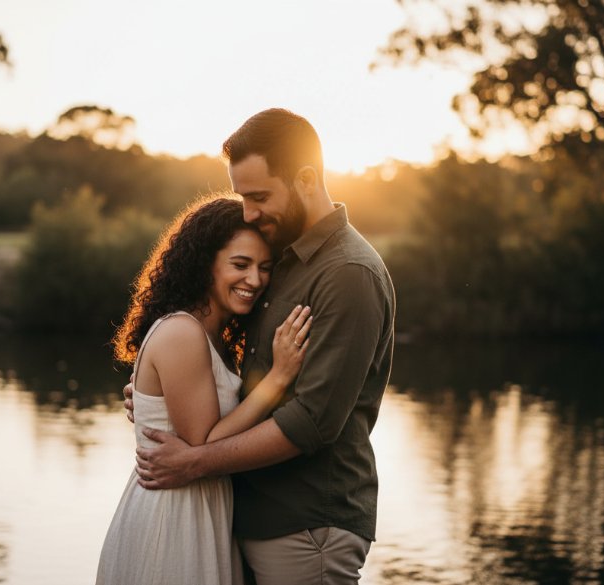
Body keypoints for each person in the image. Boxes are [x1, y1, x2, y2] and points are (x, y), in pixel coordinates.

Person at [125, 109, 396, 585]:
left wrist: (194, 461)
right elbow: (241, 376)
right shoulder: (282, 257)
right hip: (246, 519)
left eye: (259, 196)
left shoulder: (348, 274)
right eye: (242, 197)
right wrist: (161, 400)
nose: (248, 212)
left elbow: (312, 420)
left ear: (306, 179)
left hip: (307, 525)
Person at [96, 196, 314, 585]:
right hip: (171, 516)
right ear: (204, 264)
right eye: (240, 264)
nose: (255, 280)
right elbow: (203, 442)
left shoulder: (214, 337)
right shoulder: (183, 331)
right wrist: (278, 379)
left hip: (200, 507)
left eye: (264, 268)